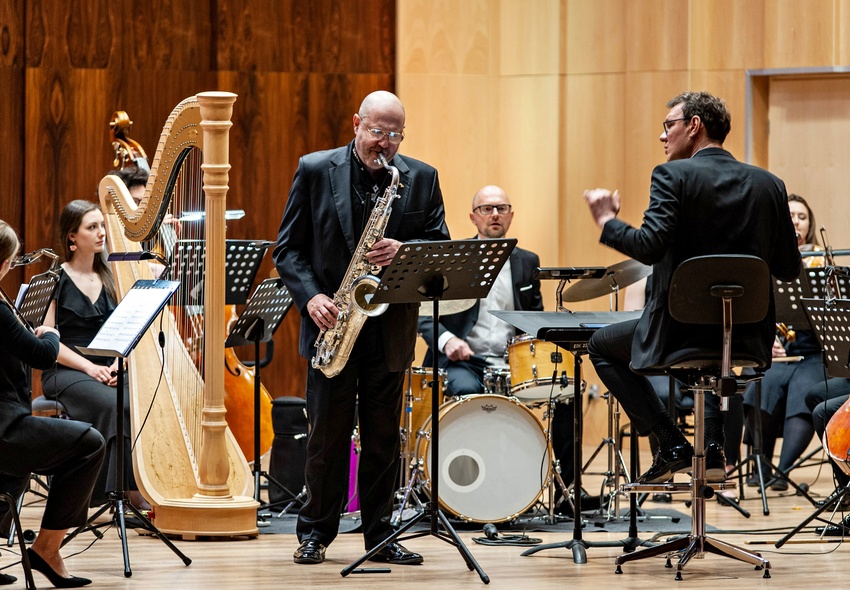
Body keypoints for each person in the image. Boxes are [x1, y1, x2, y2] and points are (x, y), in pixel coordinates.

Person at [584, 91, 801, 484]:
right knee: (707, 357)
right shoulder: (770, 184)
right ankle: (714, 447)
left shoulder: (672, 176)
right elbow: (788, 268)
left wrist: (607, 222)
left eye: (669, 126)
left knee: (600, 346)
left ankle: (670, 442)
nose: (663, 136)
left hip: (678, 334)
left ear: (694, 126)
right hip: (744, 338)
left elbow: (648, 247)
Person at [274, 90, 450, 565]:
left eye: (396, 135)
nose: (386, 144)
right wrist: (311, 296)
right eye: (378, 132)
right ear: (357, 123)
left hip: (389, 328)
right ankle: (314, 532)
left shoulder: (422, 178)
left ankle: (380, 534)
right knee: (326, 437)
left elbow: (440, 247)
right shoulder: (315, 169)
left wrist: (405, 250)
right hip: (332, 322)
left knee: (382, 438)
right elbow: (287, 249)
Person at [417, 184, 577, 510]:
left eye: (501, 208)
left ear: (511, 216)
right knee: (465, 393)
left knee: (566, 395)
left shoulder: (527, 261)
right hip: (464, 361)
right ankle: (462, 491)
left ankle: (567, 491)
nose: (494, 215)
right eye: (487, 209)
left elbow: (534, 318)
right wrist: (448, 341)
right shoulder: (454, 256)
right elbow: (423, 314)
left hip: (511, 364)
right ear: (473, 217)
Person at [0, 219, 105, 588]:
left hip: (7, 423)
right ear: (3, 263)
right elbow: (43, 355)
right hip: (4, 429)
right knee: (90, 444)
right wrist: (52, 333)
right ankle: (46, 548)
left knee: (22, 463)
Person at [40, 200, 150, 512]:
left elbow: (128, 330)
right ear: (72, 237)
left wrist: (118, 362)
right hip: (67, 369)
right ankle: (106, 496)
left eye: (102, 225)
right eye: (92, 227)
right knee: (112, 404)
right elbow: (48, 340)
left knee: (138, 401)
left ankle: (130, 488)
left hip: (109, 364)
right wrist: (90, 368)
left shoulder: (113, 276)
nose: (102, 232)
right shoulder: (54, 279)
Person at [742, 193, 826, 490]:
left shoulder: (820, 260)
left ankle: (783, 471)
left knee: (804, 392)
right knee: (760, 384)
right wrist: (766, 339)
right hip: (776, 350)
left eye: (802, 217)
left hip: (813, 352)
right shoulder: (765, 257)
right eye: (790, 215)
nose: (796, 221)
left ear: (809, 225)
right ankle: (759, 467)